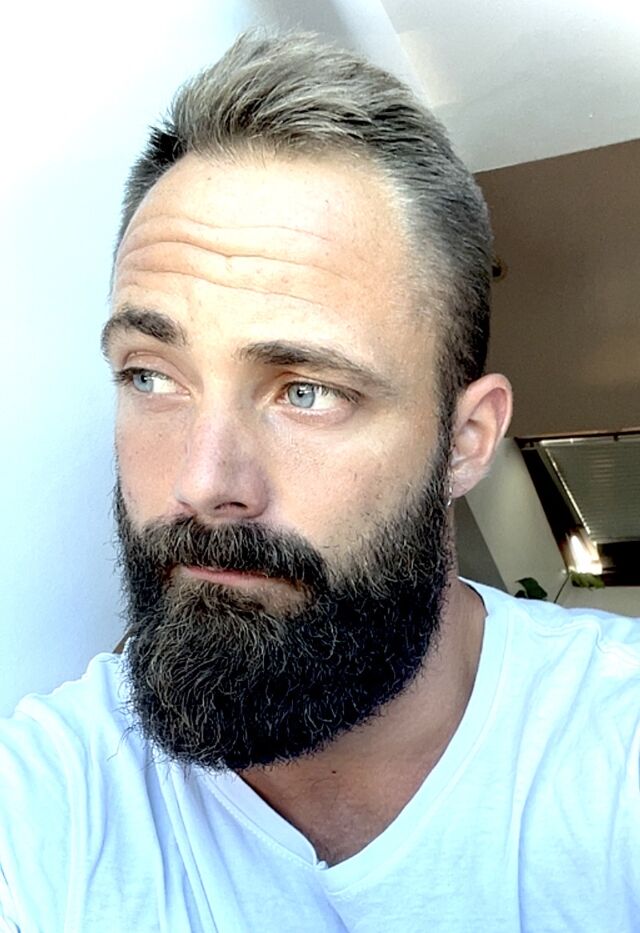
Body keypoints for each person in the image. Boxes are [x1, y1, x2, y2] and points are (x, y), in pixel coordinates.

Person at [1, 30, 638, 933]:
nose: (201, 483)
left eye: (307, 391)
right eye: (151, 374)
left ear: (466, 441)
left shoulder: (616, 756)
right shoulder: (48, 805)